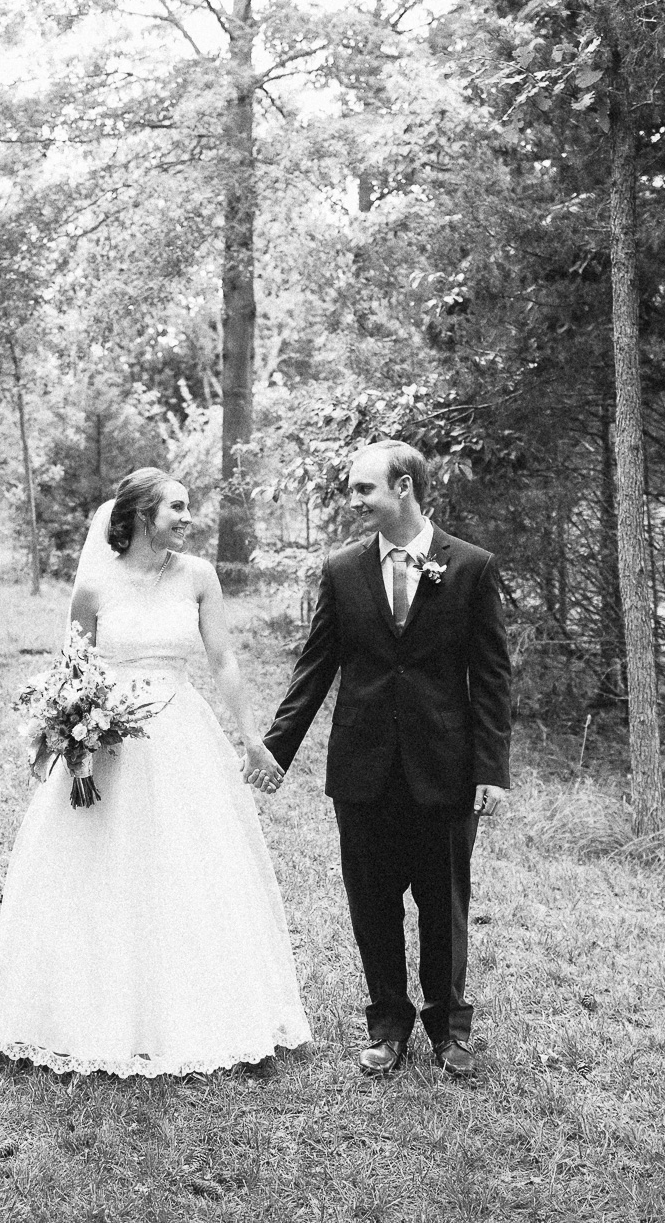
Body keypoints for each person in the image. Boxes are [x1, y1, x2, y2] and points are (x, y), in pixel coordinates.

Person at [0, 468, 311, 1076]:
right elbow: (72, 673)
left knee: (186, 864)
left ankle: (194, 1009)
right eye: (176, 506)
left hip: (180, 735)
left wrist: (251, 737)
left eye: (188, 506)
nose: (188, 516)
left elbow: (222, 658)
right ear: (142, 514)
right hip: (109, 745)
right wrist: (76, 742)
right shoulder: (93, 587)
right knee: (99, 864)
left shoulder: (199, 577)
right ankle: (82, 1010)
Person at [249, 440, 512, 1079]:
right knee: (371, 901)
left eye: (363, 489)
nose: (354, 500)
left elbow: (493, 675)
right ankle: (387, 1023)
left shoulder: (471, 568)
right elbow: (315, 669)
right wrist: (276, 750)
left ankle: (449, 1030)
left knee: (443, 901)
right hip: (363, 769)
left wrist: (491, 770)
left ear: (402, 486)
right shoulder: (343, 570)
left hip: (444, 768)